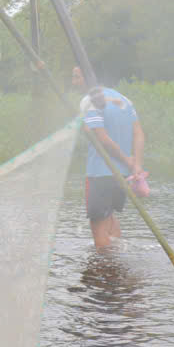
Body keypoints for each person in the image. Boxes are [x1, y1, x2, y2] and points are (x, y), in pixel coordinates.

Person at [71, 66, 145, 251]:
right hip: (122, 175)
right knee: (109, 217)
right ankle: (116, 265)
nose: (74, 82)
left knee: (98, 229)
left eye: (77, 77)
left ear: (90, 78)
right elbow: (139, 134)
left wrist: (129, 161)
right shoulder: (124, 99)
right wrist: (136, 165)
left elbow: (103, 139)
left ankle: (106, 272)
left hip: (100, 173)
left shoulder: (90, 100)